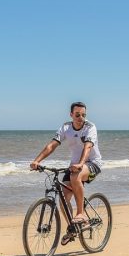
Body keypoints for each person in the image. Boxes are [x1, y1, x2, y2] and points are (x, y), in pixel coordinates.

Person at [30, 102, 103, 240]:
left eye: (83, 115)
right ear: (71, 115)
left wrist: (81, 164)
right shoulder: (66, 127)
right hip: (74, 165)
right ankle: (73, 228)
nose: (80, 117)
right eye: (77, 115)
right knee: (63, 198)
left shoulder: (90, 127)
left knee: (75, 176)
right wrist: (37, 161)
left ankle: (80, 213)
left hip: (93, 163)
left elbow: (87, 147)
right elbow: (52, 145)